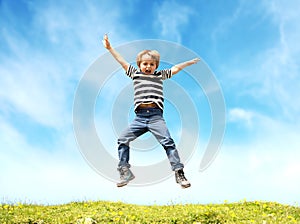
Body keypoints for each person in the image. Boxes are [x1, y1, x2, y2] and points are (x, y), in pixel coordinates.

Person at [102, 34, 200, 188]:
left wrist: (187, 63)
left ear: (156, 66)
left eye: (151, 64)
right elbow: (121, 61)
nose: (148, 67)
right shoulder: (135, 74)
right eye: (145, 64)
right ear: (140, 65)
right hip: (140, 118)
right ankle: (125, 171)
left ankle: (179, 173)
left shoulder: (159, 76)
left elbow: (174, 69)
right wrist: (110, 48)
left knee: (168, 142)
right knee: (122, 140)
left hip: (155, 117)